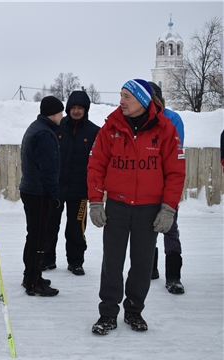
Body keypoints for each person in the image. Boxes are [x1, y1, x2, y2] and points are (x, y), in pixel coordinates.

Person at [88, 79, 185, 335]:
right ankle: (108, 313)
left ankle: (134, 310)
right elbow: (96, 165)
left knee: (142, 263)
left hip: (148, 208)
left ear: (143, 101)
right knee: (112, 262)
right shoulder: (110, 128)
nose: (121, 101)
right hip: (118, 206)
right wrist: (96, 201)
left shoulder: (165, 129)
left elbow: (176, 172)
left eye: (126, 97)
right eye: (121, 95)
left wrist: (168, 209)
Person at [44, 90, 100, 276]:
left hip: (80, 191)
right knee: (50, 224)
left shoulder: (94, 132)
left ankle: (75, 261)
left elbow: (98, 161)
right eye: (73, 107)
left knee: (77, 228)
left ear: (86, 109)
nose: (76, 111)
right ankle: (47, 259)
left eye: (80, 108)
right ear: (68, 109)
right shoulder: (57, 127)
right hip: (56, 189)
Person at [19, 96, 64, 297]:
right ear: (53, 113)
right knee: (39, 238)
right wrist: (55, 195)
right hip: (39, 192)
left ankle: (30, 275)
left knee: (34, 236)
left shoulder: (36, 127)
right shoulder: (45, 134)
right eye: (60, 112)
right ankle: (34, 282)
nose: (62, 117)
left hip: (31, 189)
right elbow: (48, 169)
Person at [148, 81, 186, 294]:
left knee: (170, 228)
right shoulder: (140, 118)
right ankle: (149, 269)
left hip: (166, 184)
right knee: (146, 229)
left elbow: (175, 153)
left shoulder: (173, 119)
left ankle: (173, 276)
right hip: (146, 184)